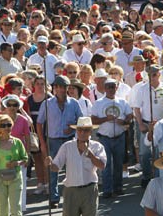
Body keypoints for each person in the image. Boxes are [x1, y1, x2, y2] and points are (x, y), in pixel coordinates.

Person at [37, 75, 83, 208]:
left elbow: (81, 121)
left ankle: (72, 196)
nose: (63, 90)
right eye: (60, 87)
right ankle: (54, 197)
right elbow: (39, 123)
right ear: (55, 88)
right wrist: (42, 142)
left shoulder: (74, 103)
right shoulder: (47, 104)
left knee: (72, 168)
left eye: (65, 87)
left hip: (69, 140)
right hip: (53, 140)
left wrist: (73, 128)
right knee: (53, 169)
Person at [45, 117, 106, 216]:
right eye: (80, 130)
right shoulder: (67, 146)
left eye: (85, 130)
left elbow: (102, 165)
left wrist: (89, 153)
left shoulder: (97, 146)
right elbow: (56, 167)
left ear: (90, 132)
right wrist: (50, 164)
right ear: (76, 131)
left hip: (89, 190)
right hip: (71, 191)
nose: (82, 133)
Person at [91, 78, 134, 198]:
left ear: (117, 87)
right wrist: (106, 119)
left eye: (113, 86)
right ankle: (107, 190)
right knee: (106, 164)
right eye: (108, 86)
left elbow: (130, 115)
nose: (111, 89)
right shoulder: (98, 103)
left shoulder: (122, 102)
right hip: (105, 138)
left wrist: (125, 120)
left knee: (118, 163)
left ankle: (118, 188)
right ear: (104, 88)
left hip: (119, 136)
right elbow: (93, 119)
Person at [0, 114, 28, 216]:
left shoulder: (17, 142)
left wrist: (16, 163)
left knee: (16, 210)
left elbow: (25, 159)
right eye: (3, 125)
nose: (6, 127)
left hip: (15, 178)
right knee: (2, 211)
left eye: (9, 124)